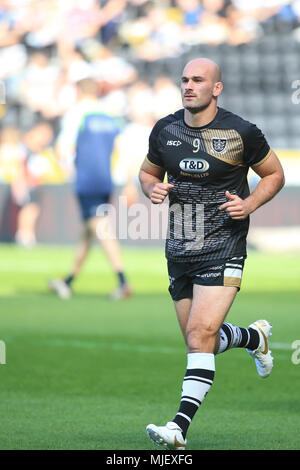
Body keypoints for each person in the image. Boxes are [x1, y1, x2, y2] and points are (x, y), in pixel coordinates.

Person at [139, 58, 285, 449]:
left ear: (216, 88)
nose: (189, 85)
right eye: (184, 79)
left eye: (198, 80)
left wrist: (250, 204)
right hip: (179, 246)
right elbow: (148, 172)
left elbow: (275, 174)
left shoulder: (241, 132)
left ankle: (178, 428)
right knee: (197, 338)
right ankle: (253, 338)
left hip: (224, 244)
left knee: (201, 334)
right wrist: (150, 189)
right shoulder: (165, 129)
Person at [49, 78, 131, 300]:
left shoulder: (77, 114)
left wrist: (68, 169)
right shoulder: (109, 115)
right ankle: (67, 281)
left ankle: (122, 281)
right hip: (106, 179)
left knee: (100, 227)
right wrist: (129, 181)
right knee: (88, 230)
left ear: (78, 91)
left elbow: (63, 148)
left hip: (86, 178)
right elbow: (121, 149)